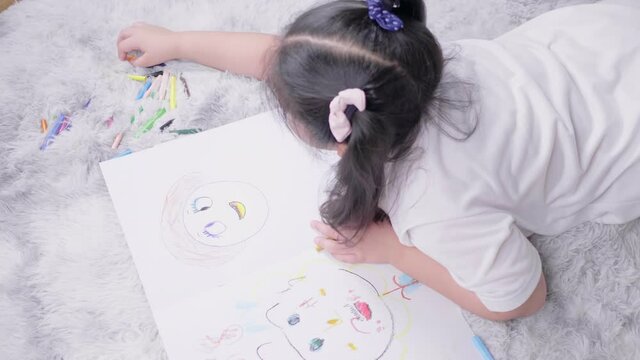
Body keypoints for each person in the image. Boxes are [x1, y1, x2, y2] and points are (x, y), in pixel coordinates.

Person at [116, 0, 640, 321]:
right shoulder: (408, 62)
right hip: (608, 40)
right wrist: (177, 42)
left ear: (338, 134)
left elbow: (520, 299)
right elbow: (276, 56)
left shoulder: (435, 202)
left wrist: (394, 250)